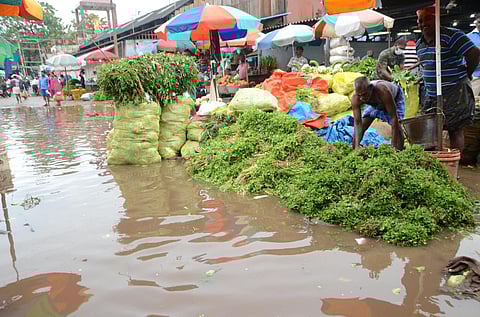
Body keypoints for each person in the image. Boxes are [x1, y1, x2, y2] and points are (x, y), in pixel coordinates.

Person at [416, 7, 480, 155]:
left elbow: (475, 53)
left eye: (428, 18)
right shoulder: (420, 44)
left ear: (437, 18)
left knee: (455, 129)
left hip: (454, 91)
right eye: (420, 19)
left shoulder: (452, 36)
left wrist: (467, 74)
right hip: (432, 94)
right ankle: (434, 162)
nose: (422, 23)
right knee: (430, 130)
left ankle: (453, 167)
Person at [351, 76, 405, 151]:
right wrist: (356, 147)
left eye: (364, 94)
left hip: (394, 100)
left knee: (397, 128)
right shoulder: (356, 98)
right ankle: (354, 150)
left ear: (370, 88)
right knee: (362, 125)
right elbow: (357, 123)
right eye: (359, 95)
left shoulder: (383, 90)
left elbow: (394, 118)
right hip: (374, 104)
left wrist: (393, 146)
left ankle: (399, 151)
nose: (362, 98)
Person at [468, 15, 480, 96]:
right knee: (474, 102)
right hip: (475, 76)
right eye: (479, 22)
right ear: (475, 22)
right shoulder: (468, 37)